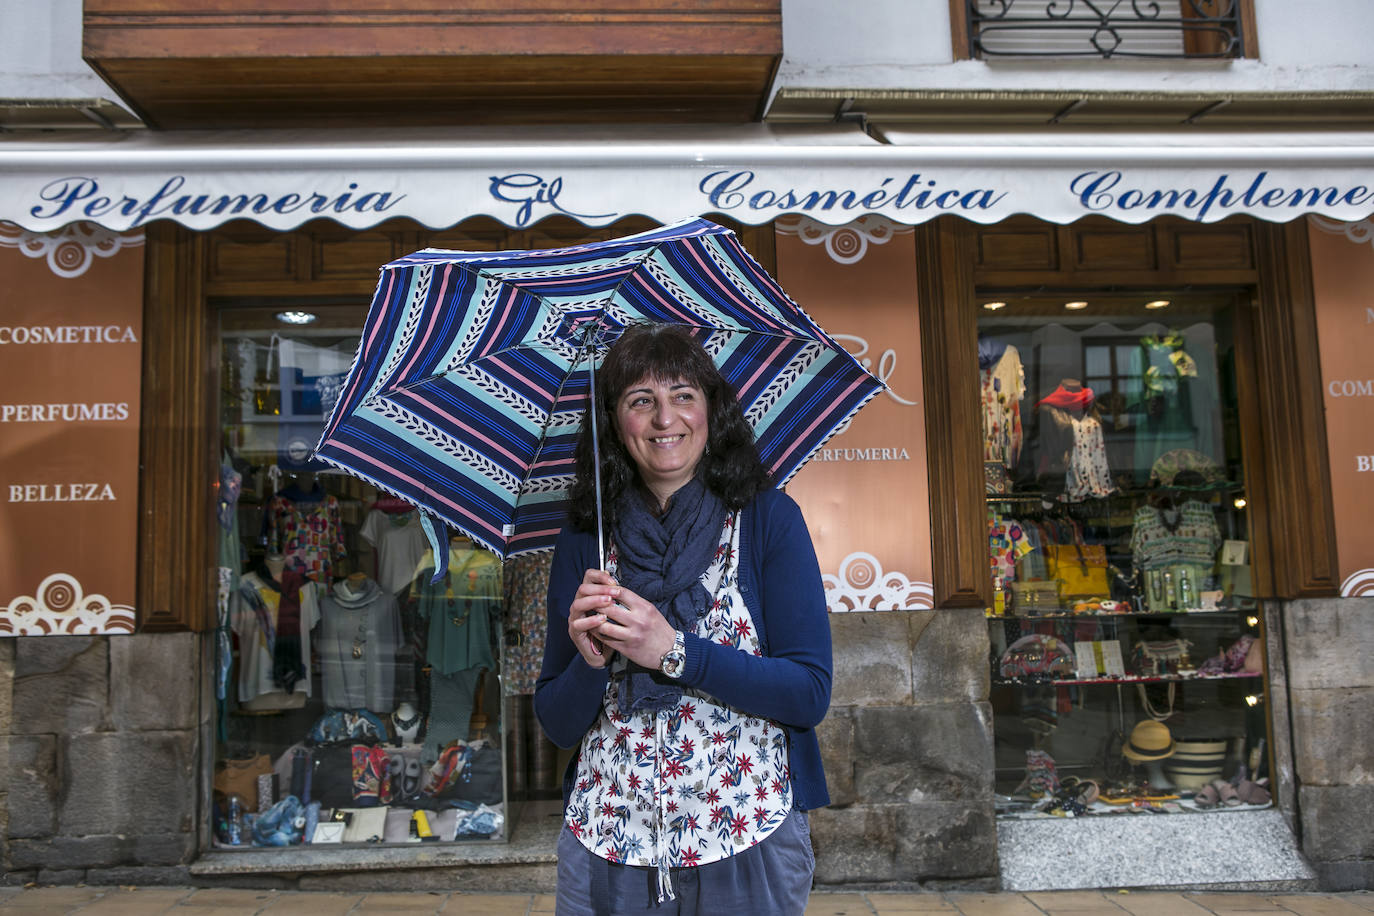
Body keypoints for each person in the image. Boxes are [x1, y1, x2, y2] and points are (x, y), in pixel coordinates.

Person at [534, 323, 832, 915]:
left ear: (710, 411)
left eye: (682, 395)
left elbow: (808, 693)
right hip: (608, 839)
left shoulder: (767, 520)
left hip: (748, 834)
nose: (665, 418)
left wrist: (674, 650)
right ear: (616, 424)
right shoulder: (585, 541)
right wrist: (592, 660)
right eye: (641, 401)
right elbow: (557, 723)